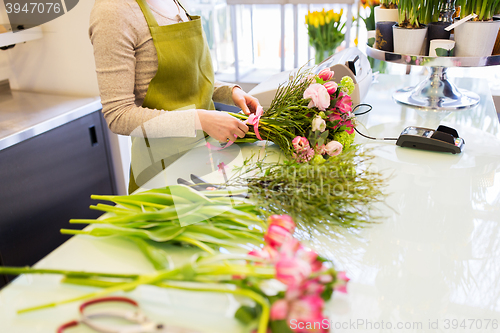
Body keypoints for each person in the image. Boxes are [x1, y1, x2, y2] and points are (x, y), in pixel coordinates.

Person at [89, 0, 261, 193]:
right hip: (164, 171)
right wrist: (200, 119)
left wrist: (230, 92)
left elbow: (189, 78)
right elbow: (118, 116)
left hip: (208, 156)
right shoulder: (113, 11)